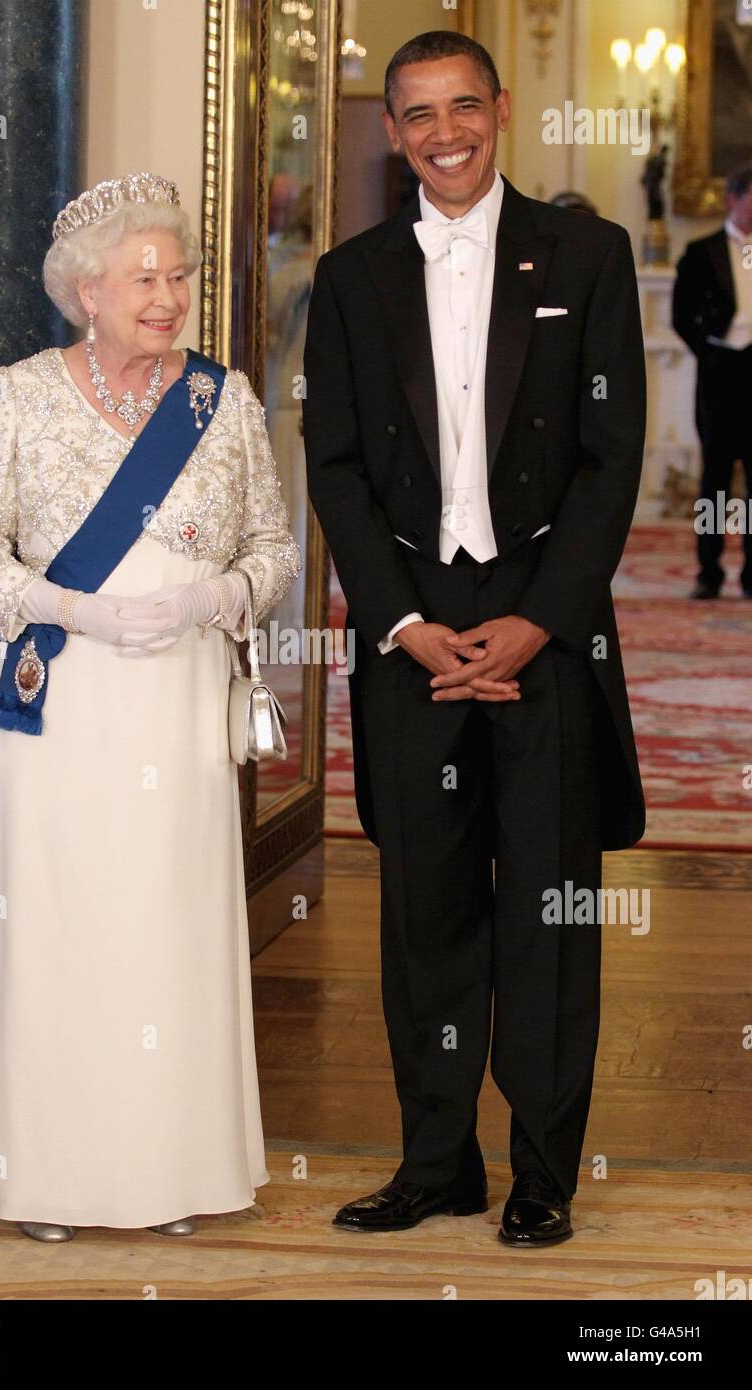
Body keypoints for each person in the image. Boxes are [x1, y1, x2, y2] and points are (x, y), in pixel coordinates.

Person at [303, 32, 646, 1246]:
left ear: (499, 110)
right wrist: (401, 622)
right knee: (425, 911)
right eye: (417, 115)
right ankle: (435, 1160)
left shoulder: (589, 255)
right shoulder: (347, 280)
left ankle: (542, 1171)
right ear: (392, 131)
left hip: (545, 626)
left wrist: (538, 619)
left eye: (463, 107)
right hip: (411, 630)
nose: (443, 133)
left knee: (548, 908)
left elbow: (613, 463)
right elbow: (335, 469)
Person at [0, 172, 302, 1242]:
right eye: (146, 277)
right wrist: (56, 606)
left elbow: (272, 549)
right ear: (85, 290)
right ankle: (47, 1175)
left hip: (177, 704)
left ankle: (168, 1171)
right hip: (65, 703)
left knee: (164, 928)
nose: (170, 295)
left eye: (179, 275)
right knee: (61, 927)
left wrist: (218, 594)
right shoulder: (24, 391)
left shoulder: (218, 401)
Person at [672, 163, 752, 599]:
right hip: (720, 373)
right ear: (734, 199)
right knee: (715, 481)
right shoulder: (702, 251)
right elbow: (682, 315)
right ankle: (709, 572)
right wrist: (709, 350)